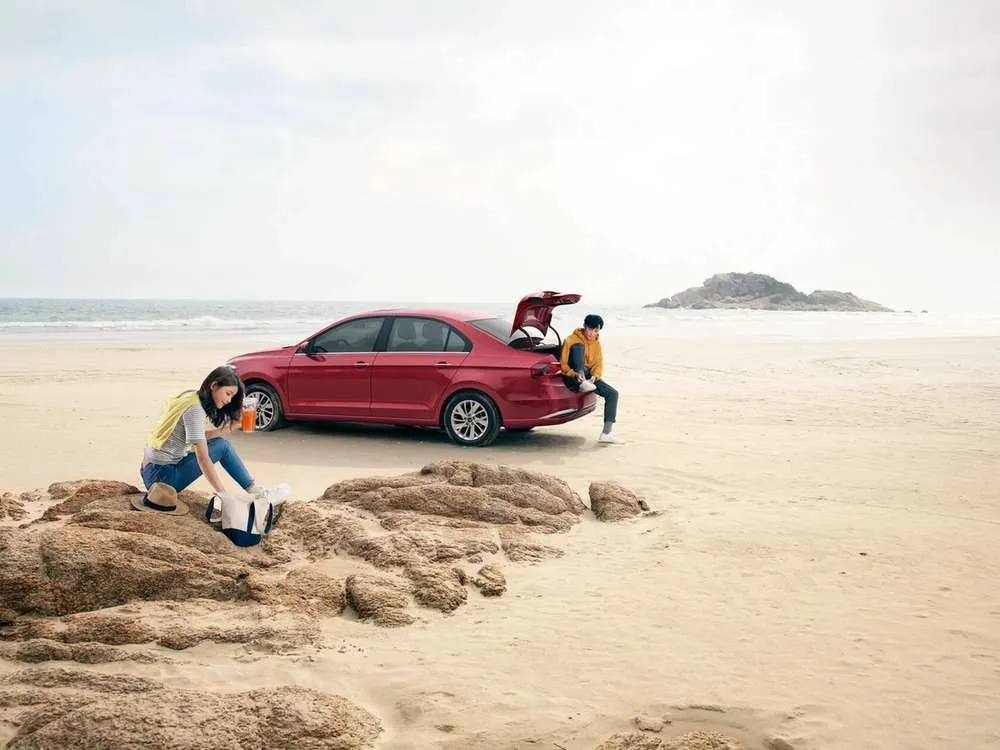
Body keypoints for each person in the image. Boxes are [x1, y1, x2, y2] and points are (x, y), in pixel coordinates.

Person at [137, 365, 260, 512]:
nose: (229, 400)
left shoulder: (190, 397)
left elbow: (201, 436)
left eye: (232, 397)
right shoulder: (195, 410)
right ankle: (255, 491)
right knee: (223, 446)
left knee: (220, 445)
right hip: (162, 478)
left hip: (148, 469)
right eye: (228, 393)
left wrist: (234, 425)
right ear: (214, 386)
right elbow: (203, 459)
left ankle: (253, 490)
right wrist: (224, 495)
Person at [560, 314, 625, 444]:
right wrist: (575, 374)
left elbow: (598, 364)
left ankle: (606, 433)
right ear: (584, 326)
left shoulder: (597, 344)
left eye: (596, 331)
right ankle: (582, 380)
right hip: (572, 376)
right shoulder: (571, 340)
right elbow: (563, 365)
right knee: (579, 347)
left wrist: (594, 377)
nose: (592, 333)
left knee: (613, 394)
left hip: (589, 379)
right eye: (590, 329)